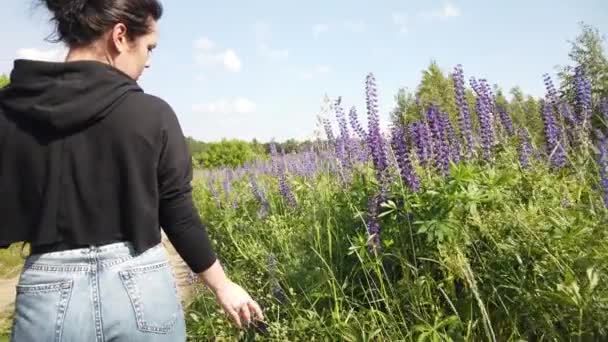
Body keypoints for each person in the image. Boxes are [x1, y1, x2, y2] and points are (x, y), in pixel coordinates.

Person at [0, 0, 264, 341]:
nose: (149, 61)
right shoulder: (152, 114)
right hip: (140, 288)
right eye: (149, 47)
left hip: (48, 299)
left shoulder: (10, 113)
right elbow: (178, 214)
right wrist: (222, 286)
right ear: (120, 36)